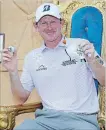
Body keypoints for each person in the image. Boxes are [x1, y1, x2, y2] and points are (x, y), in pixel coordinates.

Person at [2, 3, 105, 130]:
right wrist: (12, 71)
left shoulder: (81, 45)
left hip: (81, 120)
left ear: (61, 23)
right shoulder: (32, 57)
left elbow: (104, 80)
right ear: (36, 27)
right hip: (46, 120)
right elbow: (20, 99)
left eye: (53, 21)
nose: (49, 27)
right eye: (44, 22)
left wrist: (92, 60)